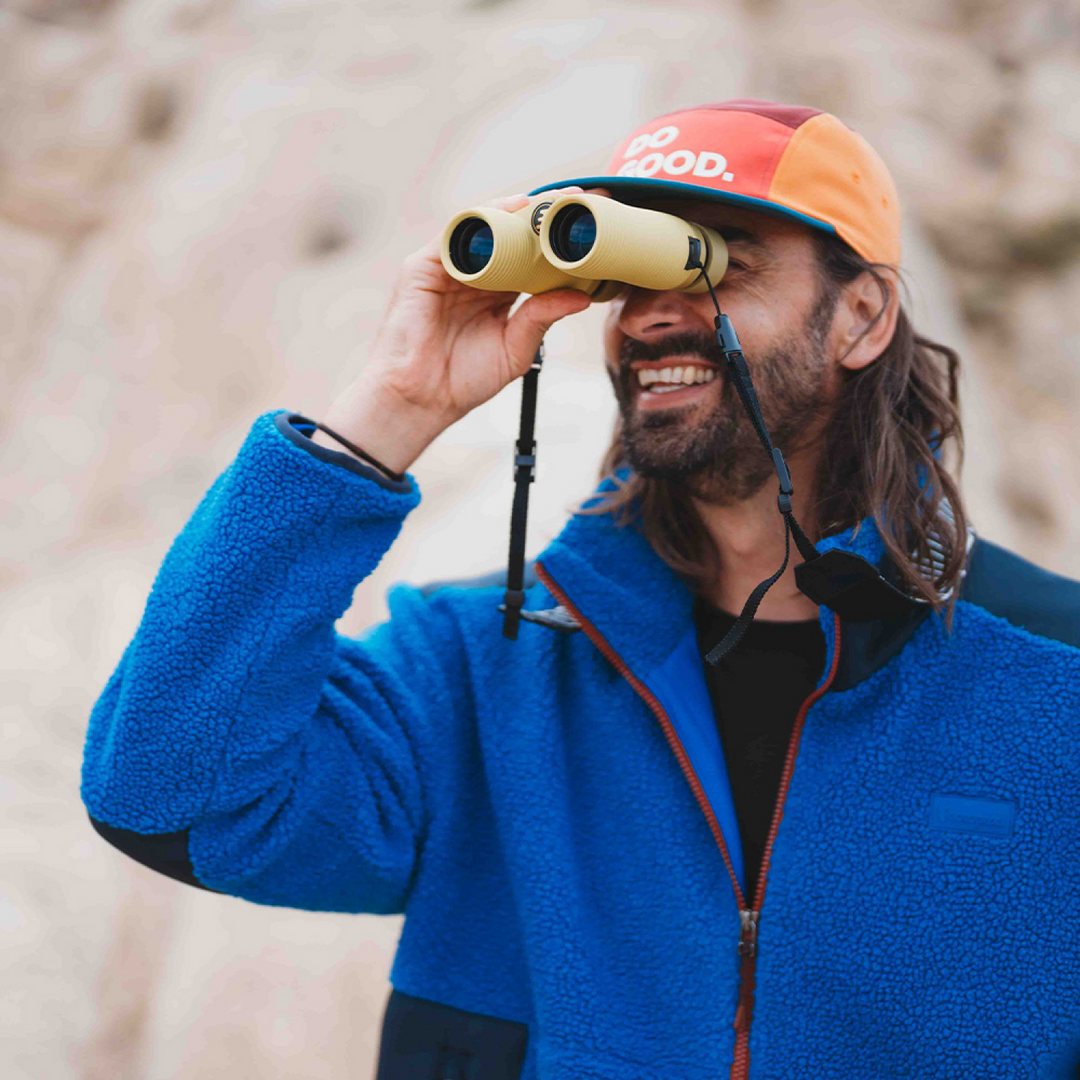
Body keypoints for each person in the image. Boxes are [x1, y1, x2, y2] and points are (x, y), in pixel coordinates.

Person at [81, 100, 1080, 1080]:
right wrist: (387, 410)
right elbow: (170, 795)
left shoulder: (1054, 676)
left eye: (721, 257)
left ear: (860, 316)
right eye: (628, 269)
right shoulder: (485, 669)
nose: (654, 309)